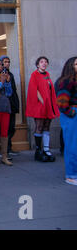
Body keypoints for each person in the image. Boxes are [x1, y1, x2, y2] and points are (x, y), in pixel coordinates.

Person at [26, 56, 60, 162]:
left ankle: (46, 149)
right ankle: (38, 150)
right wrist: (43, 102)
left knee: (47, 126)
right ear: (37, 64)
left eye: (46, 62)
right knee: (39, 126)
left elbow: (50, 90)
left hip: (48, 105)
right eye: (41, 62)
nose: (44, 63)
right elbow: (34, 90)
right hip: (40, 105)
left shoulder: (47, 75)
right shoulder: (34, 75)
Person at [56, 56, 77, 186]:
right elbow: (62, 102)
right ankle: (71, 175)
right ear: (70, 66)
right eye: (76, 64)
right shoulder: (66, 81)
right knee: (72, 146)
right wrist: (72, 112)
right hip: (72, 115)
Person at [0, 55, 20, 157]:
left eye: (8, 62)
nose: (7, 63)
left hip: (12, 103)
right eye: (5, 62)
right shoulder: (2, 74)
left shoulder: (10, 74)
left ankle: (9, 148)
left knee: (11, 127)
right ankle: (5, 150)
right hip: (5, 105)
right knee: (6, 128)